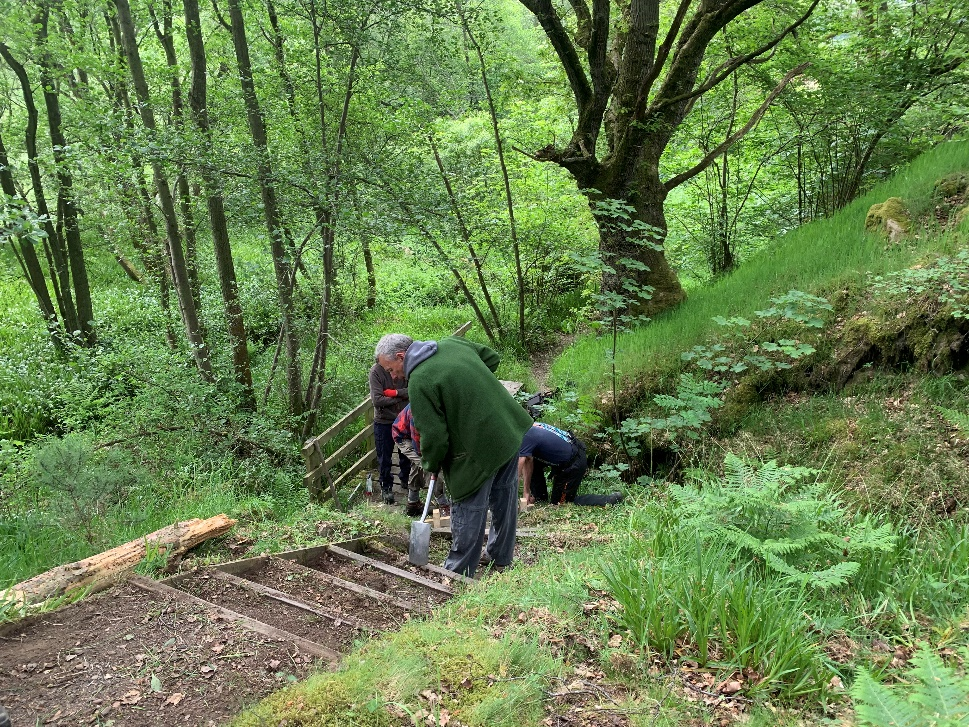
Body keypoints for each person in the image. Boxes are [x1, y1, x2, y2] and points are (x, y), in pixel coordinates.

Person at [374, 333, 533, 577]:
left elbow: (434, 437)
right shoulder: (451, 344)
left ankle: (458, 573)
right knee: (504, 496)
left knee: (468, 505)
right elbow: (491, 358)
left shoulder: (419, 381)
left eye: (391, 369)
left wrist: (431, 463)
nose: (393, 376)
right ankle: (500, 556)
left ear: (401, 356)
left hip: (475, 448)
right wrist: (470, 393)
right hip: (507, 431)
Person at [519, 423, 622, 506]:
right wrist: (526, 492)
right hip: (569, 452)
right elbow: (528, 461)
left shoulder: (525, 437)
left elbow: (515, 475)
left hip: (574, 463)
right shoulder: (530, 426)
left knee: (560, 503)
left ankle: (609, 499)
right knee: (532, 457)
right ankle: (538, 496)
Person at [369, 341, 411, 505]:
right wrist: (402, 396)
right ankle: (386, 487)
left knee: (406, 454)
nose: (391, 372)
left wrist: (394, 392)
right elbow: (377, 400)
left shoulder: (405, 367)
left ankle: (406, 483)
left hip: (403, 419)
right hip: (383, 421)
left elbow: (412, 390)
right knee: (384, 458)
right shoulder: (376, 372)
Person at [392, 404, 449, 517]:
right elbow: (418, 444)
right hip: (402, 437)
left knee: (417, 464)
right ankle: (444, 505)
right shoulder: (417, 413)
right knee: (428, 466)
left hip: (410, 433)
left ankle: (413, 502)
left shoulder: (436, 405)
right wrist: (431, 461)